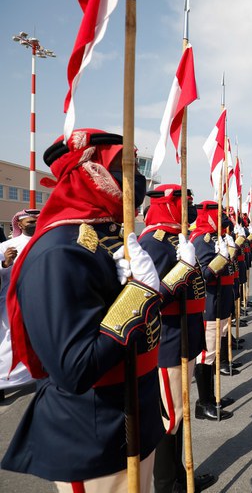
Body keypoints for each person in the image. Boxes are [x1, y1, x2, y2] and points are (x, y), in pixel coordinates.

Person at [0, 129, 176, 490]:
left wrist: (147, 292)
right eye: (126, 167)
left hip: (133, 420)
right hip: (95, 436)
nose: (137, 179)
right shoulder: (59, 251)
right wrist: (138, 293)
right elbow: (74, 369)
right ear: (90, 171)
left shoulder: (106, 239)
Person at [138, 185, 216, 493]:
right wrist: (182, 269)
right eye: (186, 204)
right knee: (169, 419)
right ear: (169, 206)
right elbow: (148, 299)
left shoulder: (176, 240)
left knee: (180, 415)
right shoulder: (155, 243)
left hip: (185, 336)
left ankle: (182, 477)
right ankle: (167, 485)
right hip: (168, 341)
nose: (191, 210)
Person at [191, 201, 237, 419]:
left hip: (221, 302)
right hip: (210, 304)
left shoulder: (215, 239)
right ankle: (204, 402)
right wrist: (221, 258)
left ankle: (213, 396)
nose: (224, 220)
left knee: (214, 352)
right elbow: (204, 277)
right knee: (207, 354)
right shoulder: (202, 240)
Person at [0, 210, 39, 401]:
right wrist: (6, 263)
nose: (35, 223)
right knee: (10, 340)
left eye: (38, 220)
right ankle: (2, 382)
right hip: (13, 299)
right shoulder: (7, 245)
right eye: (31, 221)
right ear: (20, 224)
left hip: (39, 298)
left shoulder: (44, 240)